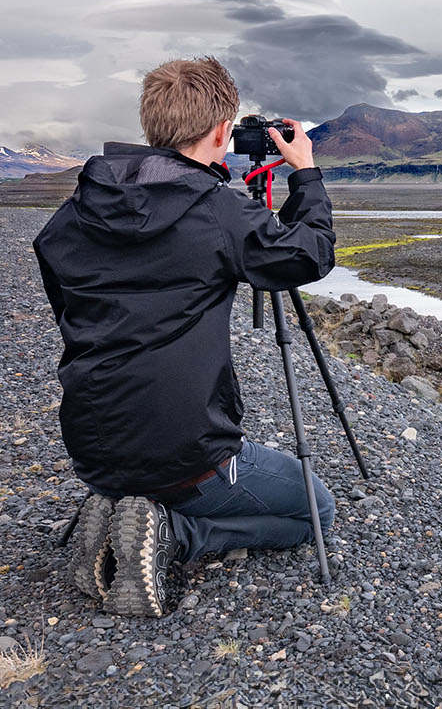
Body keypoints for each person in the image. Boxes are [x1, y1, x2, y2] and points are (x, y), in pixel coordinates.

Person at [33, 57, 337, 617]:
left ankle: (118, 506)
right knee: (317, 509)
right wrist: (306, 176)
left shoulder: (74, 212)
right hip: (186, 454)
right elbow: (307, 255)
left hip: (92, 443)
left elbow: (67, 312)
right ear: (223, 132)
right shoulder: (218, 212)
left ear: (153, 125)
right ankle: (172, 531)